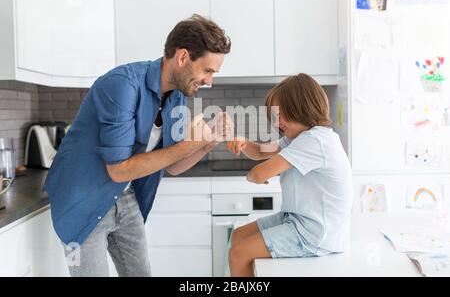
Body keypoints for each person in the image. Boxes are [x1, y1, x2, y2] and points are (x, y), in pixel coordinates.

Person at [43, 14, 231, 276]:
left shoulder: (176, 95)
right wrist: (190, 144)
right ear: (183, 57)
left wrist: (206, 144)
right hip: (82, 199)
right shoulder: (122, 85)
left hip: (125, 197)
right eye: (208, 70)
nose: (209, 81)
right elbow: (118, 169)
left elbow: (173, 166)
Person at [226, 73, 353, 277]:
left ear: (302, 107)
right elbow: (260, 152)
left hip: (316, 233)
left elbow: (258, 174)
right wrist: (244, 143)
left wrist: (258, 176)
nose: (277, 122)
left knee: (240, 253)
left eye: (281, 114)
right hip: (297, 220)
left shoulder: (316, 141)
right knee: (238, 236)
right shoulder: (299, 138)